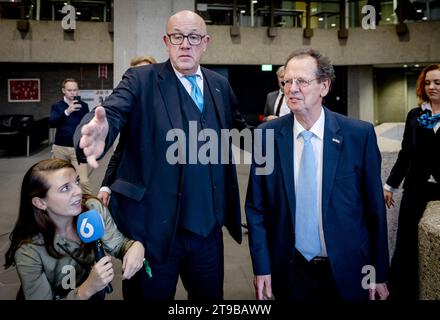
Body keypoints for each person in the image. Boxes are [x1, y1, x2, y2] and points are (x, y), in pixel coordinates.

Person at [74, 10, 249, 300]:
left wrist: (283, 137)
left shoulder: (220, 85)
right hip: (152, 232)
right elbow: (113, 112)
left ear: (205, 42)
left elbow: (241, 130)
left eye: (193, 37)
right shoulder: (141, 80)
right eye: (177, 37)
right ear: (166, 41)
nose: (185, 44)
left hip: (207, 234)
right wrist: (97, 129)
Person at [245, 48, 390, 300]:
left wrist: (378, 272)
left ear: (324, 86)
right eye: (287, 81)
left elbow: (374, 210)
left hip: (348, 269)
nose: (291, 88)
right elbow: (257, 209)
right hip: (290, 270)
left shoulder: (359, 136)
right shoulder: (266, 136)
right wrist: (262, 267)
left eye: (301, 81)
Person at [4, 159, 145, 300]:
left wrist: (135, 246)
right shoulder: (28, 251)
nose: (78, 191)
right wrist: (87, 289)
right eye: (65, 188)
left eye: (77, 181)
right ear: (40, 202)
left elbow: (119, 244)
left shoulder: (92, 208)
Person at [384, 64, 440, 300]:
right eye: (427, 83)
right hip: (416, 189)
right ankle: (402, 293)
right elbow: (406, 153)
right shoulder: (417, 115)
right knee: (407, 245)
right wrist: (390, 185)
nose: (432, 87)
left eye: (437, 82)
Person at [97, 55, 157, 207]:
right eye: (135, 74)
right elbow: (120, 151)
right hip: (135, 191)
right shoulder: (129, 111)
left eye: (144, 72)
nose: (139, 78)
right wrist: (106, 186)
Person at [49, 78, 92, 194]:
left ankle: (89, 208)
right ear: (63, 90)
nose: (73, 93)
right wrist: (67, 111)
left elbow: (87, 125)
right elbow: (51, 123)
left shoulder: (84, 106)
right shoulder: (57, 106)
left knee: (83, 181)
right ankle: (62, 206)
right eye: (69, 90)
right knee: (58, 180)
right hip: (60, 148)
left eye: (75, 90)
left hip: (77, 149)